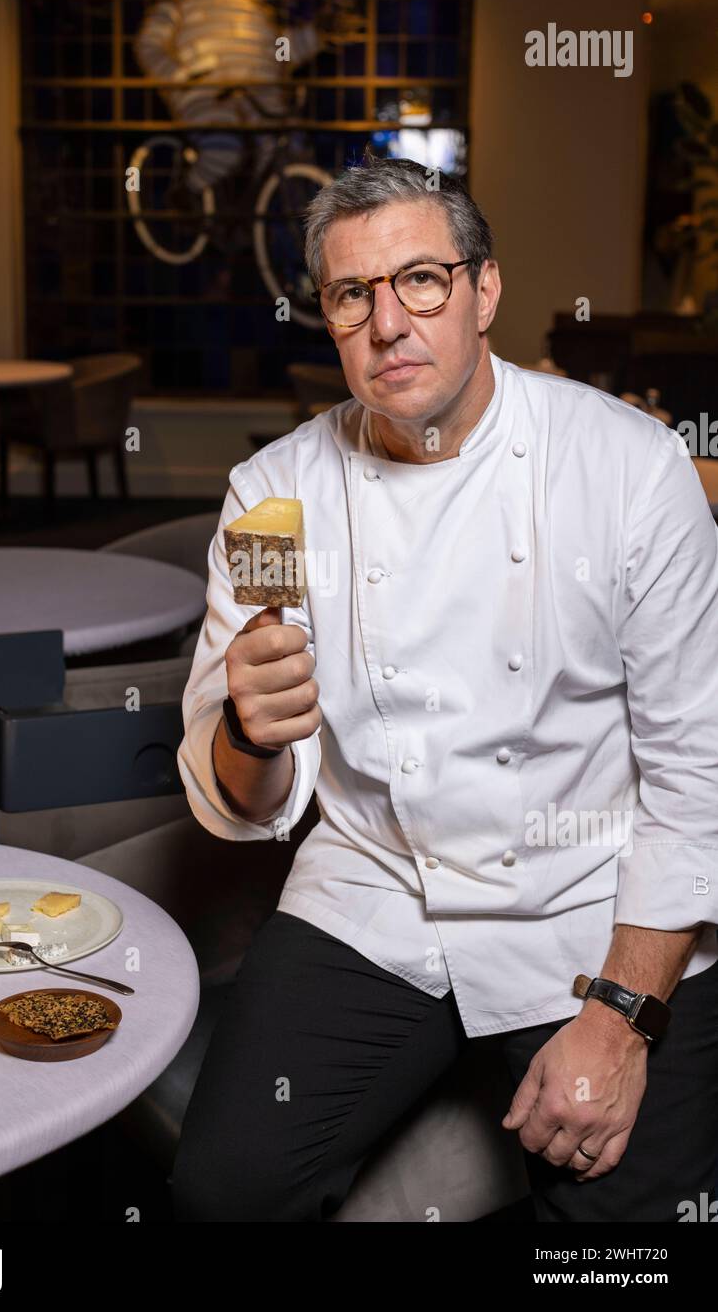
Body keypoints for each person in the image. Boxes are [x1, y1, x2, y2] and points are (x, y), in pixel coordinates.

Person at [172, 151, 718, 1222]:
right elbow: (246, 798)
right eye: (350, 294)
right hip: (379, 888)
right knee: (220, 1191)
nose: (389, 323)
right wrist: (249, 728)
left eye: (421, 279)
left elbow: (697, 772)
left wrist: (618, 1016)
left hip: (590, 898)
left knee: (625, 1235)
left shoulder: (630, 470)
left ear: (484, 289)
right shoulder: (273, 488)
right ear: (326, 316)